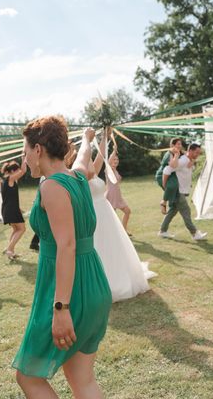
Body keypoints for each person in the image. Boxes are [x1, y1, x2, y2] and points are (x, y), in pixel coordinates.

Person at [13, 118, 111, 399]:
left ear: (39, 150)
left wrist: (61, 308)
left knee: (28, 377)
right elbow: (82, 159)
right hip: (92, 285)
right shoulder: (78, 177)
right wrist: (87, 139)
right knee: (82, 380)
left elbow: (66, 246)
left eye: (25, 151)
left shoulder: (52, 187)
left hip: (69, 294)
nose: (25, 158)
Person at [81, 129, 155, 302]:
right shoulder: (80, 174)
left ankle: (122, 274)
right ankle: (107, 281)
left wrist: (105, 136)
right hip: (94, 217)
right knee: (101, 247)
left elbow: (101, 155)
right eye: (87, 157)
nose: (91, 159)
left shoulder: (92, 169)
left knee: (114, 245)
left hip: (106, 214)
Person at [158, 143, 208, 241]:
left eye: (199, 152)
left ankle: (162, 231)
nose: (198, 154)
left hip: (182, 190)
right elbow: (167, 169)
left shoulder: (189, 160)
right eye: (196, 152)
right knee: (186, 211)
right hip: (178, 191)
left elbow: (185, 171)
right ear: (191, 151)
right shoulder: (183, 160)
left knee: (172, 211)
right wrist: (165, 185)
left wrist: (192, 161)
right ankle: (195, 233)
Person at [1, 160, 27, 260]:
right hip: (10, 209)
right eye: (17, 170)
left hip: (8, 209)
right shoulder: (10, 178)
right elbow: (24, 171)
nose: (19, 172)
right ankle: (9, 249)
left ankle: (10, 250)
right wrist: (25, 157)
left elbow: (10, 196)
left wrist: (19, 208)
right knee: (21, 229)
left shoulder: (8, 180)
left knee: (16, 229)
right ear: (12, 171)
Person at [105, 152, 132, 236]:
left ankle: (124, 230)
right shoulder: (108, 170)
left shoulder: (115, 170)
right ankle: (114, 235)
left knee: (127, 211)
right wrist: (115, 149)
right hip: (111, 196)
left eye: (117, 159)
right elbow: (108, 162)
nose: (116, 161)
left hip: (118, 197)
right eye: (114, 159)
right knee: (113, 218)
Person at [156, 138, 182, 214]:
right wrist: (177, 155)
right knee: (171, 186)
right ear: (172, 145)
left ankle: (171, 205)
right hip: (162, 175)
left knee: (176, 189)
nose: (180, 146)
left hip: (172, 174)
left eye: (180, 144)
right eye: (178, 144)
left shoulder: (178, 153)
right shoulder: (169, 154)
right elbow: (173, 165)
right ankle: (163, 202)